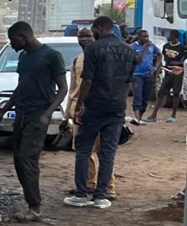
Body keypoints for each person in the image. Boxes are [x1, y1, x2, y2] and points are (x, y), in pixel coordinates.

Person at [0, 21, 68, 221]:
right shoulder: (24, 57)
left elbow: (62, 88)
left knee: (28, 159)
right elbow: (21, 88)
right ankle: (31, 202)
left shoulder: (52, 56)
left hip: (38, 115)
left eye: (12, 40)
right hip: (22, 114)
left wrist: (47, 114)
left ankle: (35, 208)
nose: (11, 44)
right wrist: (4, 111)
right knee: (19, 159)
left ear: (23, 37)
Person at [66, 16, 136, 209]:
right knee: (108, 152)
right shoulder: (129, 51)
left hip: (95, 106)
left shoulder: (93, 50)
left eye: (92, 31)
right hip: (116, 107)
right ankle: (101, 196)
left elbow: (87, 81)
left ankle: (81, 194)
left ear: (98, 28)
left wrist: (79, 106)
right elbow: (127, 84)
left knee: (83, 149)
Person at [66, 27, 118, 200]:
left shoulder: (103, 58)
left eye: (88, 36)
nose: (85, 39)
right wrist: (69, 114)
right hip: (78, 111)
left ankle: (108, 188)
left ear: (94, 37)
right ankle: (89, 184)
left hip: (97, 109)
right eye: (81, 36)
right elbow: (73, 89)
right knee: (83, 151)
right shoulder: (77, 61)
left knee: (103, 150)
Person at [147, 29, 186, 123]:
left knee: (176, 94)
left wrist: (178, 63)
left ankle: (173, 116)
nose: (170, 38)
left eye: (172, 36)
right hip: (167, 72)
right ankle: (153, 115)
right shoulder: (166, 46)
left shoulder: (182, 48)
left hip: (177, 73)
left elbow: (184, 62)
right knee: (161, 93)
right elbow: (163, 58)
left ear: (176, 37)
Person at [130, 29, 161, 123]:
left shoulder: (152, 46)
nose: (146, 38)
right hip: (137, 75)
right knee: (138, 97)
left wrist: (155, 67)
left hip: (148, 74)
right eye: (144, 36)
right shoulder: (133, 47)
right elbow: (137, 60)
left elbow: (160, 55)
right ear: (139, 37)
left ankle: (140, 116)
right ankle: (137, 118)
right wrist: (144, 48)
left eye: (147, 36)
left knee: (145, 98)